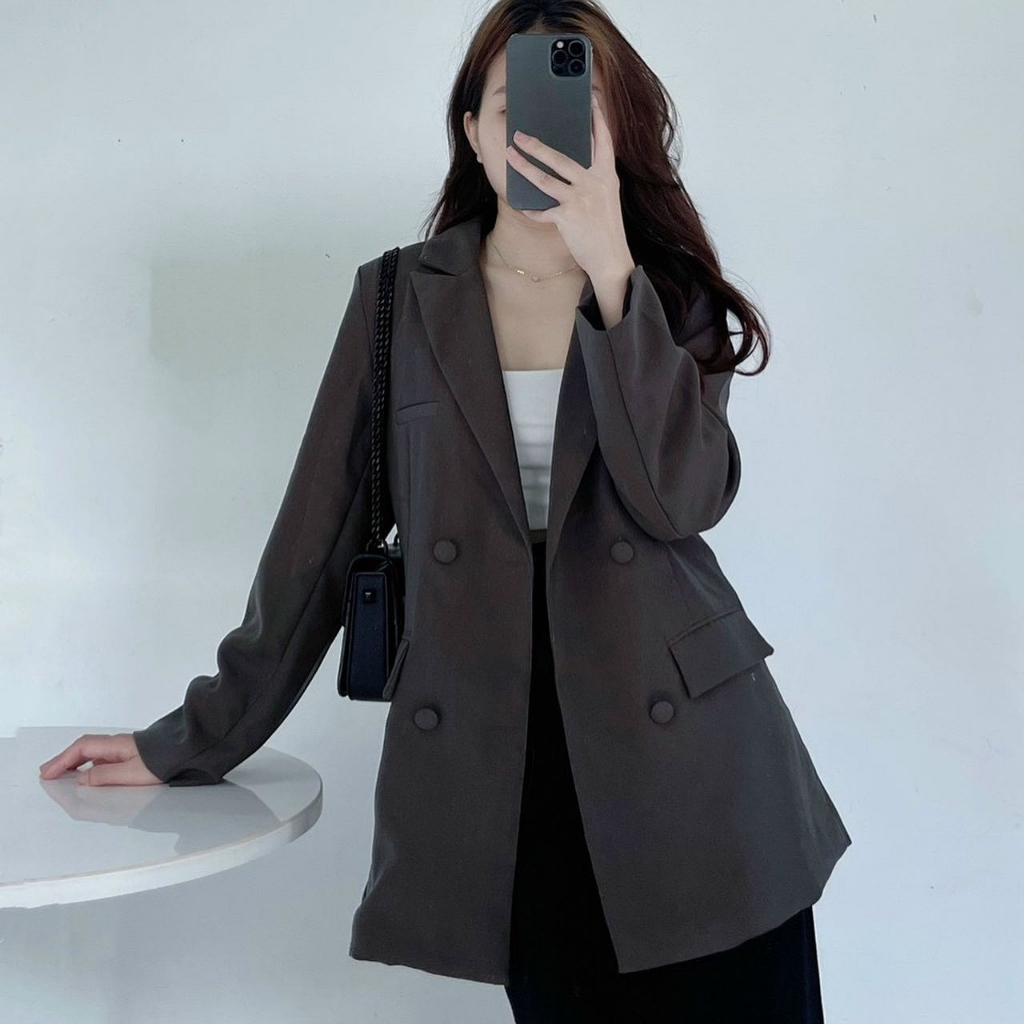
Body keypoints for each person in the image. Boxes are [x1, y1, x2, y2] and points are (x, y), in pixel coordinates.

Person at [40, 3, 850, 1020]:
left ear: (615, 134)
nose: (543, 134)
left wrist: (612, 271)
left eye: (578, 108)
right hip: (504, 763)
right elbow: (314, 547)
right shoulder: (398, 299)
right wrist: (190, 738)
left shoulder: (665, 294)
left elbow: (679, 499)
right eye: (515, 108)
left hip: (696, 771)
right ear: (472, 130)